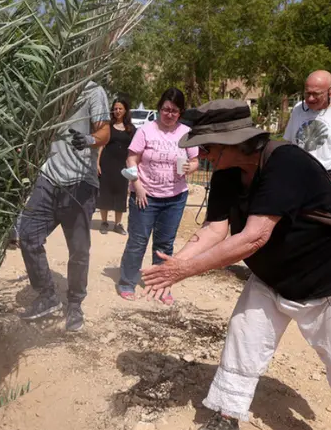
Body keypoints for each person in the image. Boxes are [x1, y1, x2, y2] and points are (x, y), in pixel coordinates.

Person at [141, 99, 331, 430]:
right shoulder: (227, 174)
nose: (202, 152)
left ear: (235, 142)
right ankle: (227, 413)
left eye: (209, 145)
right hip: (274, 276)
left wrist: (184, 271)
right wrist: (173, 266)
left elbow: (253, 237)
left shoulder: (286, 163)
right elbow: (215, 229)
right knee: (243, 339)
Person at [18, 80, 109, 332]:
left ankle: (75, 303)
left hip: (80, 183)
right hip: (48, 178)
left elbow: (105, 133)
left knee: (79, 251)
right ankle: (47, 294)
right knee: (27, 234)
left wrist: (89, 139)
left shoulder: (93, 90)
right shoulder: (52, 82)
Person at [116, 87, 198, 305]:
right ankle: (126, 282)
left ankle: (160, 285)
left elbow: (196, 160)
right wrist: (137, 185)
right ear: (160, 108)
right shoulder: (145, 131)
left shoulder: (186, 133)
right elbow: (131, 159)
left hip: (175, 197)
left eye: (174, 111)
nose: (169, 114)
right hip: (145, 196)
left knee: (165, 244)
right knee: (138, 241)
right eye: (165, 109)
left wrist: (191, 167)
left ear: (180, 112)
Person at [283, 70, 331, 203]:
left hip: (329, 181)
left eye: (316, 94)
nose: (310, 99)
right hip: (298, 178)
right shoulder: (298, 109)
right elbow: (289, 145)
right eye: (307, 93)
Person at [97, 97, 134, 235]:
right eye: (115, 108)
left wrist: (132, 167)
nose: (117, 111)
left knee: (121, 193)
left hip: (122, 166)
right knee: (105, 193)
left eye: (120, 109)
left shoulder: (131, 129)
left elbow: (134, 149)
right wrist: (97, 163)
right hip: (106, 163)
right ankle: (104, 222)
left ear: (125, 111)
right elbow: (101, 145)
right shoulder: (107, 127)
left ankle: (118, 224)